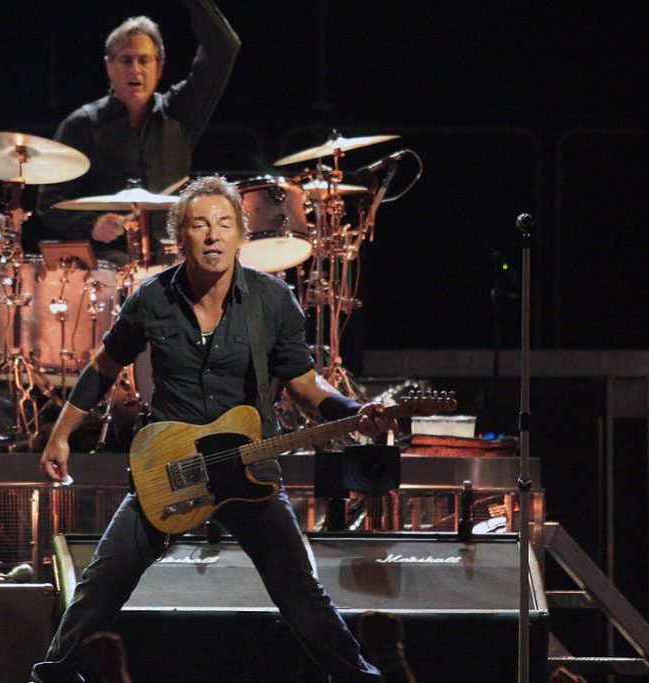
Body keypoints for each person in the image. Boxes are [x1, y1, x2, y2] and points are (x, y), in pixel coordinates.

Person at [32, 176, 394, 682]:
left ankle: (360, 678)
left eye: (224, 224)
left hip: (248, 470)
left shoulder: (272, 301)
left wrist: (355, 411)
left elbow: (307, 387)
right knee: (104, 580)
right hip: (170, 465)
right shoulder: (151, 298)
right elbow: (104, 365)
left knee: (298, 591)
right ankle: (51, 674)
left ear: (241, 235)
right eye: (199, 225)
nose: (212, 235)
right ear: (179, 236)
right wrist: (61, 433)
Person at [35, 1, 240, 266]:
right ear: (109, 67)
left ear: (160, 67)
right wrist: (92, 224)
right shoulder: (81, 125)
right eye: (126, 60)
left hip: (176, 260)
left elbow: (224, 49)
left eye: (144, 60)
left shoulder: (181, 113)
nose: (136, 69)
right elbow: (49, 203)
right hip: (109, 265)